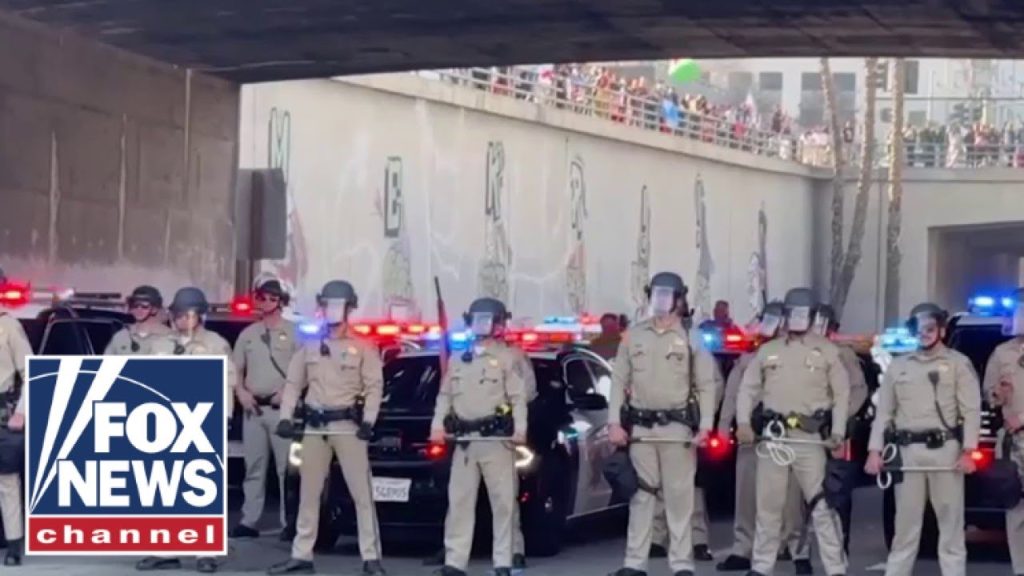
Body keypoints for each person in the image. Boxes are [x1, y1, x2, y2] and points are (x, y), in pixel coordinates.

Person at [268, 280, 385, 576]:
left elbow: (374, 387)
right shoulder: (310, 346)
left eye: (337, 305)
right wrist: (286, 417)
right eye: (327, 304)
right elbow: (294, 384)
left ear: (348, 309)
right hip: (314, 427)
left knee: (362, 494)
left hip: (348, 427)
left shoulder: (362, 347)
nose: (331, 311)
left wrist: (369, 421)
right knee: (309, 493)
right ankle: (301, 555)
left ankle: (370, 557)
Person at [607, 272, 718, 576]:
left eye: (667, 295)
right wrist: (614, 423)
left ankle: (681, 564)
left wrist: (705, 427)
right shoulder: (634, 334)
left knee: (679, 498)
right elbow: (619, 380)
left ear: (679, 300)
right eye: (656, 294)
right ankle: (634, 563)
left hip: (677, 429)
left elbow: (706, 384)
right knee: (641, 496)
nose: (660, 300)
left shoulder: (690, 337)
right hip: (641, 428)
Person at [737, 287, 850, 576]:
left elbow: (841, 394)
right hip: (774, 438)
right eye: (792, 313)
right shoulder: (768, 351)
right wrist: (743, 423)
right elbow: (748, 388)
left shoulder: (826, 351)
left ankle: (835, 568)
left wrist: (838, 432)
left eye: (802, 314)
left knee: (822, 506)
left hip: (811, 440)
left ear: (812, 317)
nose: (797, 319)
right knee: (769, 505)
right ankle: (762, 567)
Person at [865, 302, 981, 576]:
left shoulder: (957, 364)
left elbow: (971, 410)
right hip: (908, 454)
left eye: (930, 328)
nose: (924, 333)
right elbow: (885, 412)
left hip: (946, 453)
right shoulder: (899, 366)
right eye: (919, 328)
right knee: (905, 527)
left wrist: (968, 451)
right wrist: (875, 451)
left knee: (950, 526)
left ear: (941, 330)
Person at [137, 287, 238, 574]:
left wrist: (221, 421)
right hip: (166, 424)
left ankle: (205, 552)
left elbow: (227, 382)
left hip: (202, 424)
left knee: (203, 491)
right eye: (177, 314)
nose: (180, 319)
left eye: (187, 314)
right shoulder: (161, 345)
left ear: (199, 315)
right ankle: (163, 549)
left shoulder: (215, 344)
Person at [429, 297, 527, 576]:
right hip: (464, 442)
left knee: (503, 503)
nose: (482, 325)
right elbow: (444, 396)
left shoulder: (509, 358)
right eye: (477, 319)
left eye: (488, 320)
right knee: (459, 502)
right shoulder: (459, 360)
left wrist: (520, 430)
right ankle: (455, 562)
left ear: (499, 324)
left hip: (496, 441)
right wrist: (437, 427)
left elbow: (518, 397)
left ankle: (503, 562)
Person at [716, 301, 811, 574]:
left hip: (787, 435)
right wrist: (724, 427)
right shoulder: (750, 356)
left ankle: (796, 550)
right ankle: (743, 549)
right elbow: (734, 393)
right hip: (751, 434)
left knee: (791, 500)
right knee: (746, 495)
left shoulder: (800, 355)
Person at [231, 278, 298, 540]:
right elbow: (235, 369)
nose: (265, 302)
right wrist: (241, 393)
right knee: (254, 467)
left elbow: (303, 369)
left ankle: (287, 522)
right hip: (254, 409)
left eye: (271, 298)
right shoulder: (248, 334)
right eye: (261, 297)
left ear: (281, 302)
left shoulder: (294, 333)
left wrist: (289, 392)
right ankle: (249, 520)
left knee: (286, 469)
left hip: (281, 410)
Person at [811, 303, 870, 552]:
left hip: (835, 430)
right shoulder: (796, 352)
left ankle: (839, 543)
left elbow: (858, 390)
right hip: (806, 428)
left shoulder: (842, 354)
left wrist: (842, 420)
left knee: (837, 489)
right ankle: (798, 548)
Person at [983, 287, 1024, 576]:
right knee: (1015, 509)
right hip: (1013, 442)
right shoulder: (1002, 353)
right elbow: (989, 393)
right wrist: (997, 394)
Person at [0, 265, 31, 566]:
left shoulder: (8, 326)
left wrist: (21, 412)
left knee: (7, 482)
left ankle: (13, 544)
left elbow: (31, 372)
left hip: (2, 410)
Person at [104, 285, 172, 355]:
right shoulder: (121, 337)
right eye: (135, 305)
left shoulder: (169, 337)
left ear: (154, 308)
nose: (139, 309)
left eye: (144, 306)